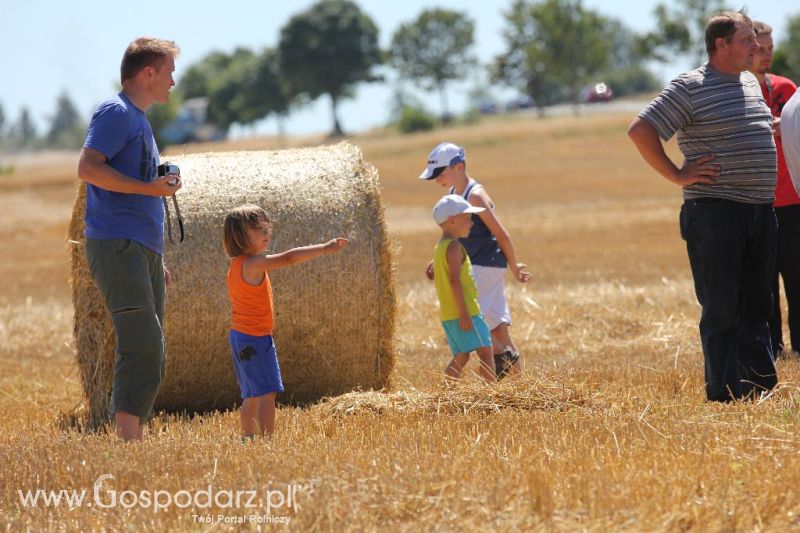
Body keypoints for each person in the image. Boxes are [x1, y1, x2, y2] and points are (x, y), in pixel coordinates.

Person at [627, 10, 778, 402]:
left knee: (758, 301)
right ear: (721, 44)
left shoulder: (749, 83)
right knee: (722, 305)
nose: (756, 47)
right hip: (715, 212)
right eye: (746, 40)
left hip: (760, 209)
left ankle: (759, 385)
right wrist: (677, 174)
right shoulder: (691, 86)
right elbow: (641, 130)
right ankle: (725, 392)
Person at [77, 37, 182, 440]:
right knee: (143, 343)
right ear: (147, 73)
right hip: (116, 244)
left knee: (153, 347)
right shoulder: (116, 112)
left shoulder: (140, 120)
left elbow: (139, 186)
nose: (173, 81)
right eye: (169, 71)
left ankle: (131, 433)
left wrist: (157, 258)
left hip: (139, 248)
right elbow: (87, 168)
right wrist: (150, 189)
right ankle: (127, 441)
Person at [223, 205, 348, 440]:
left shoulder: (237, 265)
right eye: (257, 229)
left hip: (239, 337)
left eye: (265, 226)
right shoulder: (253, 264)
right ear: (240, 236)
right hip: (255, 339)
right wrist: (324, 248)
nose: (265, 232)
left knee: (251, 394)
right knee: (267, 392)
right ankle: (267, 439)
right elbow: (289, 257)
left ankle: (248, 439)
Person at [420, 143, 532, 379]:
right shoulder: (452, 196)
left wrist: (515, 266)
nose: (436, 179)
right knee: (499, 330)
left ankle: (496, 370)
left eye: (439, 173)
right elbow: (453, 236)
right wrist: (437, 260)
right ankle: (520, 384)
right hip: (479, 265)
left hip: (487, 265)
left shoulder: (476, 195)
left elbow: (501, 234)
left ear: (458, 167)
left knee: (475, 321)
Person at [751, 21, 800, 356]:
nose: (767, 55)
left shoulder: (786, 88)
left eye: (770, 48)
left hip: (792, 199)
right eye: (760, 49)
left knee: (797, 277)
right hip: (755, 200)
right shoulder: (733, 92)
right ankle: (772, 349)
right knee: (761, 283)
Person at [431, 195, 496, 383]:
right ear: (452, 220)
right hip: (466, 311)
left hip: (448, 313)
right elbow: (454, 281)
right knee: (486, 351)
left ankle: (444, 393)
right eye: (467, 218)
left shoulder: (440, 247)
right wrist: (464, 313)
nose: (471, 223)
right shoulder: (453, 247)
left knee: (462, 354)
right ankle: (491, 394)